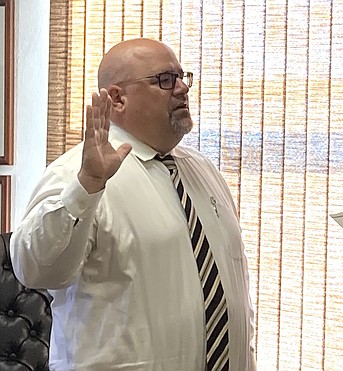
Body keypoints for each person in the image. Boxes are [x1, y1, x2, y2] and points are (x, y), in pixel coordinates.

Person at [10, 39, 257, 370]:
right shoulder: (77, 173)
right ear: (117, 99)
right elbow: (34, 267)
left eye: (182, 76)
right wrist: (86, 187)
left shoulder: (201, 170)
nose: (182, 88)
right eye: (165, 79)